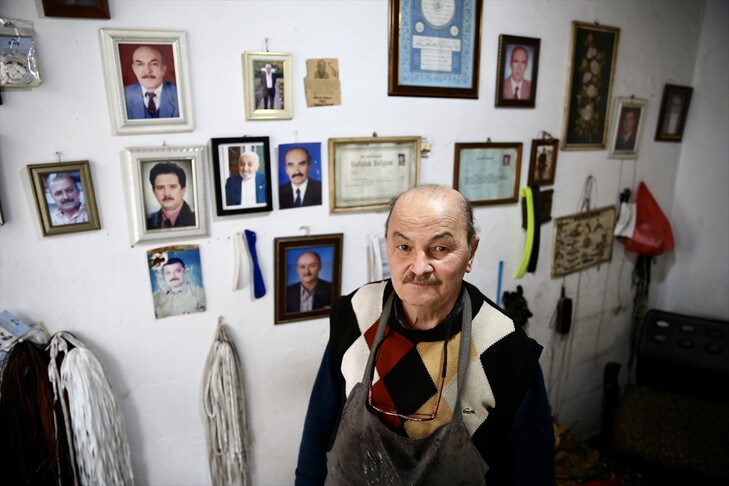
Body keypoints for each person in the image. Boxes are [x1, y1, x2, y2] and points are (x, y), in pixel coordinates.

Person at [296, 184, 554, 485]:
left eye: (440, 248)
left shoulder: (507, 348)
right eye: (404, 247)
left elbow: (533, 474)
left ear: (471, 252)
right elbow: (317, 430)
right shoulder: (355, 314)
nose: (419, 267)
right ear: (388, 245)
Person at [124, 45, 179, 120]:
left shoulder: (179, 94)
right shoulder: (123, 95)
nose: (147, 70)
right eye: (140, 64)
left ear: (163, 69)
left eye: (154, 64)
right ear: (134, 69)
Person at [146, 162, 196, 230]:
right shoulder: (147, 222)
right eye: (160, 188)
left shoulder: (196, 220)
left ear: (183, 190)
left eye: (173, 187)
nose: (166, 194)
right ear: (154, 192)